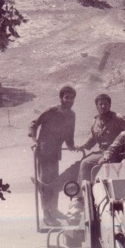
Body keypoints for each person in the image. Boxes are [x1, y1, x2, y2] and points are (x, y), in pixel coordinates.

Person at [70, 94, 125, 209]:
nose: (103, 106)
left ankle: (82, 197)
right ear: (97, 106)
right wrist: (83, 146)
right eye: (100, 104)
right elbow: (93, 138)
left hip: (118, 153)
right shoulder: (96, 121)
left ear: (110, 105)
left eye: (106, 104)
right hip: (102, 152)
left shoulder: (118, 118)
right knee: (85, 163)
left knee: (87, 163)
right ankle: (82, 198)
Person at [28, 85, 76, 226]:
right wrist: (34, 140)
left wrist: (72, 146)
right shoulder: (51, 111)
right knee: (45, 184)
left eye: (72, 98)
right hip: (43, 152)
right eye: (66, 97)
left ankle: (53, 210)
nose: (69, 100)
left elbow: (69, 135)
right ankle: (46, 214)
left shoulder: (72, 115)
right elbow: (33, 124)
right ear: (61, 98)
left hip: (55, 154)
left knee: (55, 182)